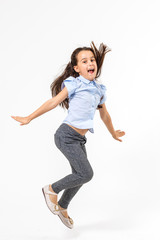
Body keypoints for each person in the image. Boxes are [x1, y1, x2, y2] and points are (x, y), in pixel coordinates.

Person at [11, 41, 125, 229]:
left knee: (79, 175)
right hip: (66, 136)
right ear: (77, 68)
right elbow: (53, 102)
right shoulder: (75, 84)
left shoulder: (99, 90)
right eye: (84, 61)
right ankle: (51, 189)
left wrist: (113, 133)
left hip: (79, 140)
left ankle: (62, 206)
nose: (90, 63)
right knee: (86, 174)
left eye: (92, 60)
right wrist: (29, 117)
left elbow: (104, 115)